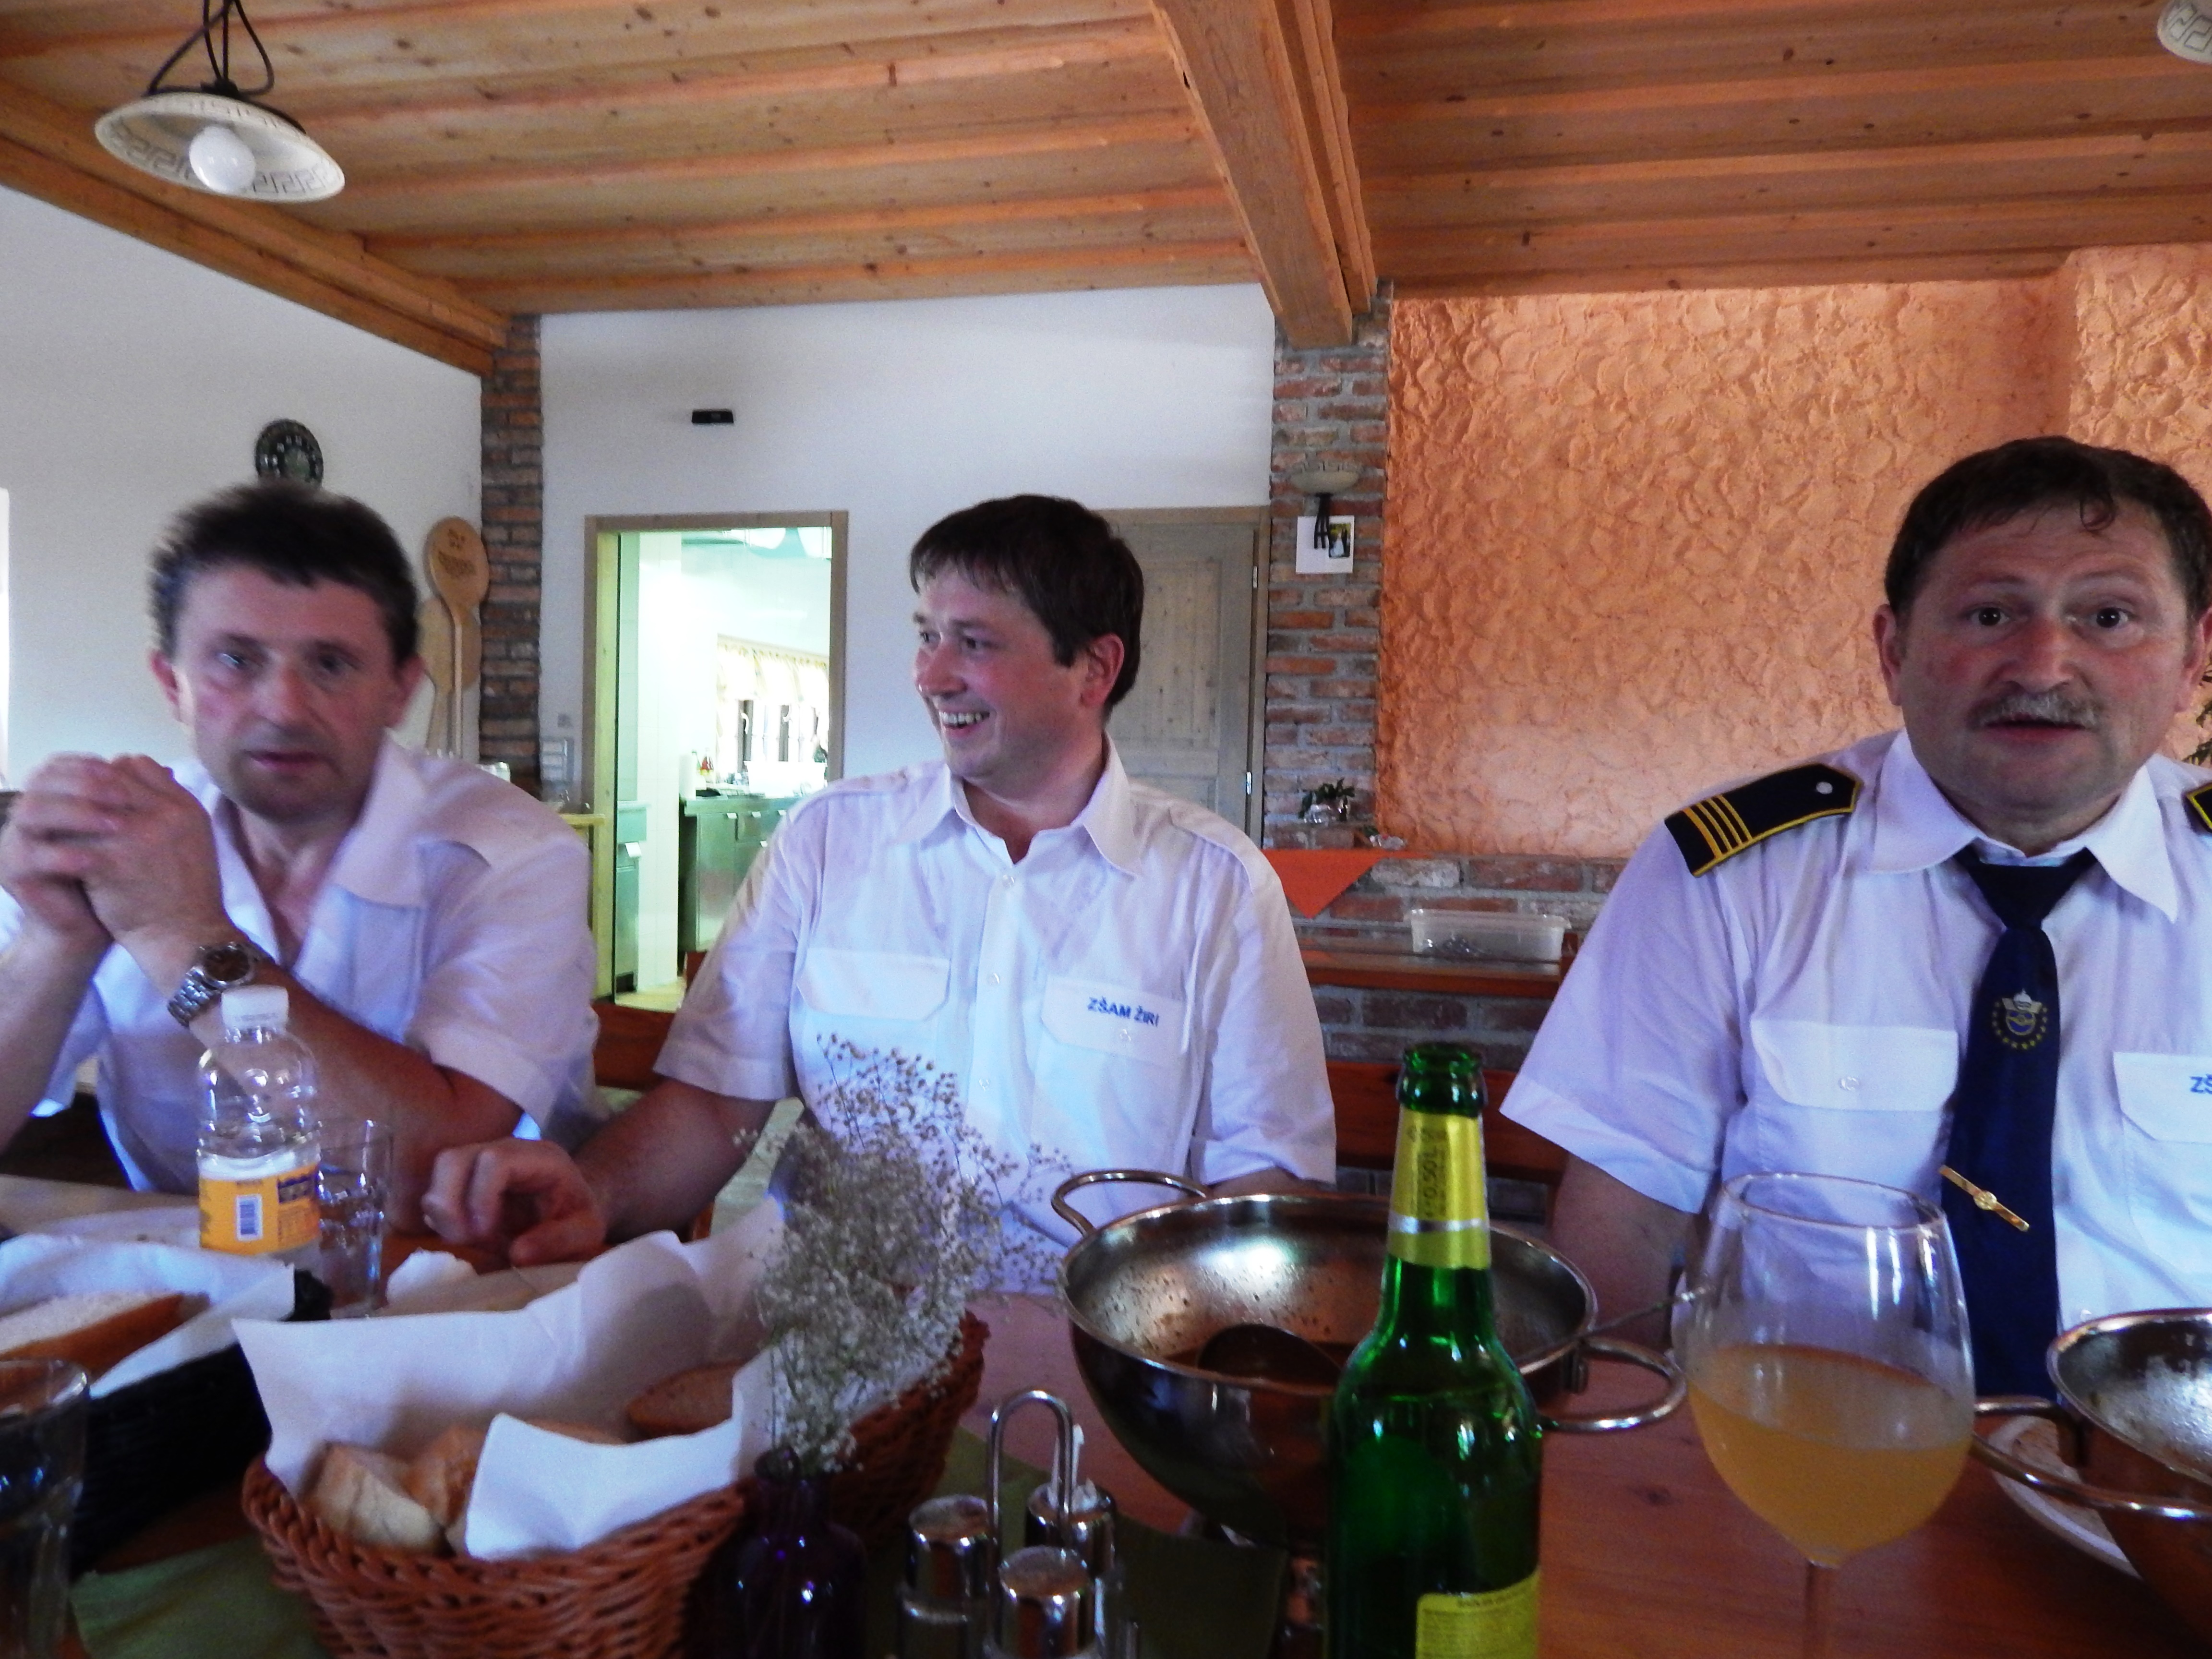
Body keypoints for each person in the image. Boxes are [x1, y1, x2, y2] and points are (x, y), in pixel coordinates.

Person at [424, 494, 1334, 1271]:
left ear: (1094, 668)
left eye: (973, 642)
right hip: (831, 1334)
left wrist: (1166, 1351)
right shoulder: (827, 842)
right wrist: (594, 1192)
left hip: (1090, 1351)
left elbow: (1269, 1178)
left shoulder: (1214, 888)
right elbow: (712, 1103)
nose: (932, 676)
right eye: (927, 636)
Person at [1507, 436, 2212, 1394]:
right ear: (1895, 650)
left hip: (2165, 1459)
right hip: (1813, 1438)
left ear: (2193, 657)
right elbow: (1625, 1214)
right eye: (1991, 614)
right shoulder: (1730, 875)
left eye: (2110, 617)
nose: (2044, 665)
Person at [0, 481, 601, 1227]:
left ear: (400, 690)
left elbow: (427, 1183)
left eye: (331, 665)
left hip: (462, 1278)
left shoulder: (512, 854)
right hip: (185, 1276)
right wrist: (53, 940)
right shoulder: (120, 837)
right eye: (235, 660)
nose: (283, 708)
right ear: (172, 685)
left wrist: (183, 936)